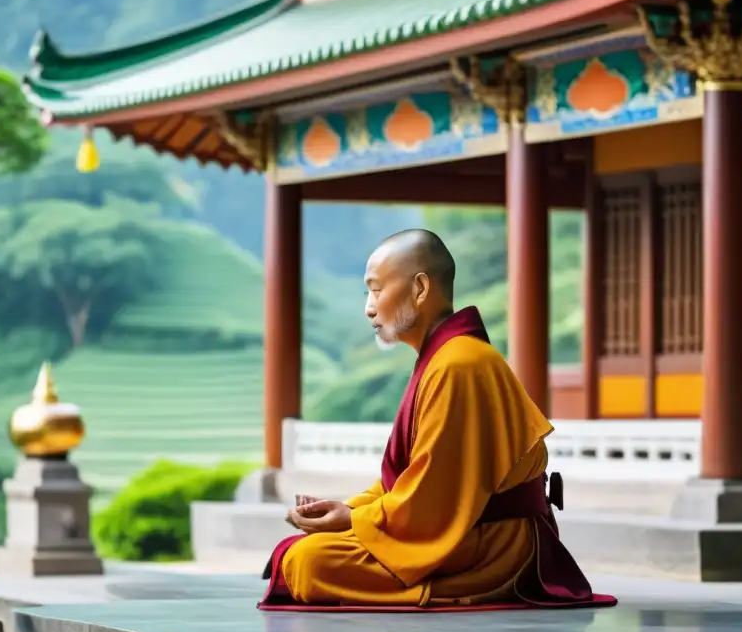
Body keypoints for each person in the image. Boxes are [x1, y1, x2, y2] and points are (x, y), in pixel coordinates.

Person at [258, 229, 614, 611]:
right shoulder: (443, 357)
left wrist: (353, 520)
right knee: (307, 555)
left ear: (421, 288)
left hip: (490, 545)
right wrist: (349, 510)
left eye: (376, 290)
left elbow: (433, 498)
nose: (369, 308)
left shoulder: (459, 364)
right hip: (461, 530)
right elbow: (415, 479)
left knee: (310, 563)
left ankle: (465, 586)